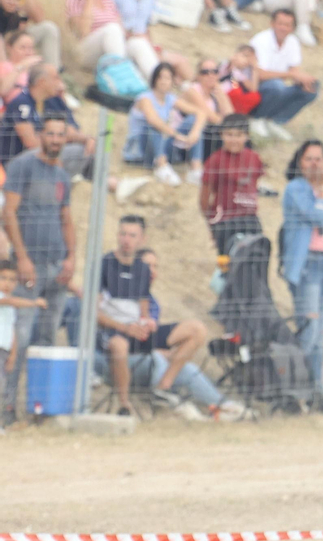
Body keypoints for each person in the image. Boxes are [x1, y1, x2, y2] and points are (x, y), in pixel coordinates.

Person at [97, 216, 208, 413]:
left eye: (132, 235)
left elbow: (143, 309)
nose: (126, 240)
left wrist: (146, 323)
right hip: (117, 331)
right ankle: (124, 403)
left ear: (142, 240)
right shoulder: (105, 264)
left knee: (196, 329)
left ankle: (163, 387)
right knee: (118, 345)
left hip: (137, 332)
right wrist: (125, 328)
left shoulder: (142, 269)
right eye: (123, 234)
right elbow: (94, 313)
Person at [2, 114, 73, 419]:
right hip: (29, 266)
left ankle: (42, 408)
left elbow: (67, 219)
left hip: (57, 265)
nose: (56, 140)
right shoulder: (23, 165)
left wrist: (71, 258)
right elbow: (9, 212)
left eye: (61, 135)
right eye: (51, 134)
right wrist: (22, 258)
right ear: (41, 134)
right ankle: (7, 408)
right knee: (20, 337)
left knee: (47, 338)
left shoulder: (63, 175)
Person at [281, 139, 323, 379]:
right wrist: (322, 194)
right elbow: (318, 217)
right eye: (309, 159)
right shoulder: (297, 188)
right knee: (309, 329)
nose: (315, 164)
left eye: (319, 158)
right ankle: (297, 384)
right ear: (300, 162)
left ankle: (314, 388)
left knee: (321, 332)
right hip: (308, 265)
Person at [124, 63, 206, 187]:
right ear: (154, 79)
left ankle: (195, 169)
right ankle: (161, 166)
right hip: (142, 147)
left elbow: (200, 112)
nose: (163, 81)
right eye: (160, 77)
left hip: (162, 142)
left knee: (192, 120)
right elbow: (153, 120)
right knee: (152, 127)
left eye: (167, 78)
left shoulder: (170, 98)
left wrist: (195, 132)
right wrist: (177, 135)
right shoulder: (144, 98)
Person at [104, 0, 190, 80]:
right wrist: (131, 35)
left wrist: (153, 47)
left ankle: (193, 91)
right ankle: (157, 83)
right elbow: (105, 18)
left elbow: (145, 27)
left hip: (141, 42)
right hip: (118, 42)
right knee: (139, 44)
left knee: (181, 62)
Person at [0, 66, 89, 173]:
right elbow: (31, 143)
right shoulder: (22, 102)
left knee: (85, 149)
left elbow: (69, 129)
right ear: (42, 82)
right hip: (13, 164)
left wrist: (87, 140)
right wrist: (54, 153)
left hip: (35, 160)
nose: (60, 82)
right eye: (56, 78)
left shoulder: (48, 102)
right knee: (79, 152)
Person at [250, 9, 321, 140]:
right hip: (257, 88)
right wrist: (291, 75)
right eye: (280, 23)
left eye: (287, 25)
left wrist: (302, 81)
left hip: (278, 89)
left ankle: (276, 121)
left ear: (292, 28)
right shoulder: (261, 40)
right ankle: (257, 119)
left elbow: (294, 70)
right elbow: (260, 75)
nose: (283, 28)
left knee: (313, 86)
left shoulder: (293, 42)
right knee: (276, 86)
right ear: (272, 24)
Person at [201, 114, 265, 255]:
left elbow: (254, 185)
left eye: (238, 135)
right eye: (229, 134)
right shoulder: (215, 160)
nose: (234, 139)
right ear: (221, 135)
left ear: (247, 136)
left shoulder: (254, 158)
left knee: (256, 260)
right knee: (229, 265)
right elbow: (204, 196)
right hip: (225, 220)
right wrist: (212, 223)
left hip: (250, 218)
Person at [0, 262, 46, 426]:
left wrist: (12, 355)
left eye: (12, 280)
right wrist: (34, 303)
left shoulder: (10, 307)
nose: (7, 283)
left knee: (3, 388)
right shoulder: (6, 300)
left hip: (4, 352)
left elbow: (12, 332)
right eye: (3, 278)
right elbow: (11, 301)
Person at [65, 0, 128, 70]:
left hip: (111, 47)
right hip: (87, 50)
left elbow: (121, 30)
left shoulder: (107, 0)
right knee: (112, 29)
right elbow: (82, 33)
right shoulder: (75, 0)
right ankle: (120, 71)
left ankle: (155, 80)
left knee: (137, 44)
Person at [0, 0, 57, 70]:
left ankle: (53, 71)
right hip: (4, 52)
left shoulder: (17, 14)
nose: (11, 2)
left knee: (48, 28)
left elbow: (39, 18)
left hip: (13, 46)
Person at [220, 44, 261, 116]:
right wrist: (234, 61)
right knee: (236, 92)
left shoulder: (247, 72)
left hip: (236, 98)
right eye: (245, 56)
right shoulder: (228, 64)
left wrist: (254, 69)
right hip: (222, 93)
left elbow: (253, 89)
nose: (247, 60)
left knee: (254, 96)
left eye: (250, 58)